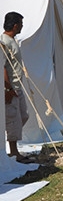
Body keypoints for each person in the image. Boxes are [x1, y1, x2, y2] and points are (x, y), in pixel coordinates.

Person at [2, 12, 33, 164]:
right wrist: (7, 89)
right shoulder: (3, 42)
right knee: (13, 120)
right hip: (10, 88)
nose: (22, 27)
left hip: (17, 87)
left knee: (23, 116)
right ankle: (14, 153)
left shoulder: (12, 41)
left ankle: (12, 147)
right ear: (15, 26)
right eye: (21, 24)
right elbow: (3, 68)